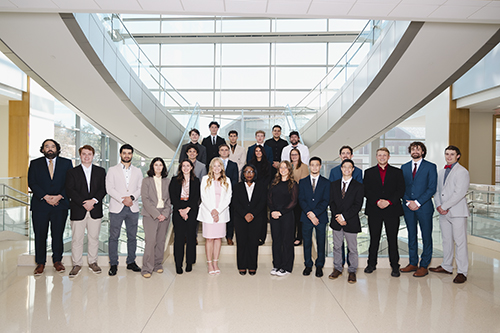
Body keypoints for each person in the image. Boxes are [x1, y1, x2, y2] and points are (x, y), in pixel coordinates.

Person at [28, 139, 73, 276]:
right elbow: (32, 182)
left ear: (57, 149)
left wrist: (60, 196)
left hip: (60, 205)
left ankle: (57, 261)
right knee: (40, 235)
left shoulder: (67, 163)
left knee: (57, 234)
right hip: (40, 205)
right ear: (42, 149)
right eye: (47, 146)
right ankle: (40, 263)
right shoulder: (35, 164)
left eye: (52, 146)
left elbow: (71, 183)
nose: (50, 149)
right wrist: (46, 197)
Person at [429, 146, 470, 284]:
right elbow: (436, 190)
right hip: (443, 212)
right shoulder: (441, 172)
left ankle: (462, 272)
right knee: (446, 240)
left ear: (458, 156)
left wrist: (445, 206)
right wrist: (439, 206)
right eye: (447, 154)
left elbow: (460, 193)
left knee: (460, 242)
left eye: (452, 154)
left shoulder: (462, 172)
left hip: (457, 212)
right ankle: (447, 266)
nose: (449, 156)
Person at [65, 145, 107, 277]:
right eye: (84, 154)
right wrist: (84, 203)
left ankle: (92, 262)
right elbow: (70, 190)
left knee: (93, 238)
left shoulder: (100, 171)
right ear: (80, 155)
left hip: (95, 209)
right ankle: (77, 264)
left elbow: (104, 188)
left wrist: (93, 200)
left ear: (93, 156)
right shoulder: (72, 172)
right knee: (77, 239)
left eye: (89, 154)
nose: (87, 156)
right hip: (78, 209)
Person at [363, 148, 405, 277]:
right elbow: (366, 190)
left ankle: (395, 266)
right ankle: (371, 264)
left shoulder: (397, 172)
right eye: (380, 155)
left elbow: (401, 190)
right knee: (374, 239)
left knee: (392, 239)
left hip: (392, 209)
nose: (382, 157)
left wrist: (389, 202)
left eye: (384, 155)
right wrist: (377, 201)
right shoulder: (369, 172)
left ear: (389, 157)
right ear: (376, 157)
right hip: (374, 209)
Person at [400, 141, 437, 277]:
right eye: (413, 149)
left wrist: (418, 202)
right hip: (408, 207)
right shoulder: (404, 167)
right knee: (411, 235)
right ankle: (413, 263)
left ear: (422, 152)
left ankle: (424, 265)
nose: (415, 151)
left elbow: (432, 187)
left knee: (426, 236)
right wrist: (408, 202)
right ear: (410, 152)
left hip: (424, 207)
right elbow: (400, 187)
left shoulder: (430, 167)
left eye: (418, 149)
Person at [106, 144, 143, 276]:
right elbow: (109, 188)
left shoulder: (138, 171)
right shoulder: (112, 170)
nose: (127, 155)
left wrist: (131, 198)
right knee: (114, 237)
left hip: (132, 208)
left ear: (132, 155)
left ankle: (131, 262)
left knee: (132, 237)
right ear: (120, 154)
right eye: (124, 153)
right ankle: (114, 264)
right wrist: (123, 199)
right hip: (117, 207)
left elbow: (140, 187)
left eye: (129, 153)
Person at [328, 159, 364, 284]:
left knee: (352, 248)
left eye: (350, 167)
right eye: (344, 167)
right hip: (336, 221)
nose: (347, 169)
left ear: (353, 169)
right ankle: (337, 268)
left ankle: (352, 271)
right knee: (337, 247)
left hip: (351, 221)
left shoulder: (358, 186)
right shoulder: (333, 184)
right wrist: (338, 217)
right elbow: (331, 202)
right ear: (341, 168)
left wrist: (344, 217)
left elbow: (357, 205)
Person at [198, 158, 232, 275]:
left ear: (222, 167)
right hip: (208, 214)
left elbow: (228, 198)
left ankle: (216, 263)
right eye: (214, 166)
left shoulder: (227, 180)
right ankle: (209, 264)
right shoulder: (205, 179)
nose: (217, 168)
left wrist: (218, 211)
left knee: (218, 239)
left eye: (219, 166)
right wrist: (212, 211)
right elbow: (203, 196)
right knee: (209, 239)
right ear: (211, 167)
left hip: (221, 214)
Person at [232, 164, 267, 275]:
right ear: (243, 174)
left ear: (255, 173)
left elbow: (262, 202)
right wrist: (244, 214)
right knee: (241, 242)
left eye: (251, 171)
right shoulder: (237, 187)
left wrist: (252, 214)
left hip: (256, 218)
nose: (249, 174)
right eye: (246, 171)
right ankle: (242, 266)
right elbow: (235, 203)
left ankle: (252, 266)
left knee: (253, 243)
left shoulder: (261, 186)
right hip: (240, 218)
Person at [299, 157, 330, 278]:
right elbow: (301, 199)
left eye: (317, 165)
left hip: (320, 218)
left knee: (321, 242)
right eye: (312, 165)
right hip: (306, 217)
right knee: (306, 242)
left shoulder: (326, 182)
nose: (315, 167)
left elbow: (325, 200)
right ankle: (308, 264)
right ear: (309, 166)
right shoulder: (303, 181)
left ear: (320, 166)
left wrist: (315, 214)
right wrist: (309, 213)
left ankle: (319, 265)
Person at [140, 158, 171, 278]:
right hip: (150, 214)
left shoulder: (167, 181)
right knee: (150, 241)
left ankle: (158, 264)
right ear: (152, 167)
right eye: (156, 165)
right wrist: (157, 214)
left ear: (163, 167)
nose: (158, 167)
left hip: (165, 214)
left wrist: (165, 213)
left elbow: (169, 200)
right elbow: (145, 200)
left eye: (160, 165)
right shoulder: (146, 181)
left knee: (160, 241)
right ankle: (147, 267)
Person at [169, 160, 201, 275]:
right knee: (179, 238)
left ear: (192, 167)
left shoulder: (196, 181)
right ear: (181, 167)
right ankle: (178, 263)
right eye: (183, 166)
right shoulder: (174, 180)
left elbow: (197, 196)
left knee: (191, 237)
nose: (186, 168)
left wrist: (187, 209)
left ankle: (189, 262)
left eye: (188, 166)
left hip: (191, 209)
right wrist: (180, 210)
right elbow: (172, 196)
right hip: (178, 209)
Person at [268, 161, 299, 277]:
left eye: (285, 168)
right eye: (281, 167)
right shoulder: (274, 183)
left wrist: (281, 212)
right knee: (276, 241)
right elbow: (269, 198)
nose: (283, 169)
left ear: (289, 170)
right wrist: (273, 211)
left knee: (287, 241)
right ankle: (276, 265)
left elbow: (293, 202)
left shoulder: (293, 184)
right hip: (274, 215)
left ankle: (286, 267)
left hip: (287, 215)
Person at [249, 145, 273, 245]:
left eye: (260, 151)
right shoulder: (251, 163)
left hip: (263, 190)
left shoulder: (267, 164)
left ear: (263, 152)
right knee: (253, 211)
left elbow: (269, 177)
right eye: (256, 151)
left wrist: (261, 186)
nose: (258, 153)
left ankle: (261, 237)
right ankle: (253, 235)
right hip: (252, 190)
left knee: (262, 215)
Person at [219, 143, 239, 245]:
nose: (224, 152)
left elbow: (235, 180)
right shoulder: (215, 164)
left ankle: (229, 236)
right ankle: (218, 235)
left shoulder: (233, 164)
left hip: (229, 194)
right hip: (216, 194)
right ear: (219, 152)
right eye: (222, 150)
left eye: (226, 150)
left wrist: (227, 189)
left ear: (229, 152)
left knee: (230, 215)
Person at [290, 148, 309, 246]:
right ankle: (291, 236)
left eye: (296, 154)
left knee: (298, 218)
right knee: (291, 219)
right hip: (289, 196)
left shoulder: (304, 166)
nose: (294, 156)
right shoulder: (288, 166)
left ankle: (299, 237)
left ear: (299, 155)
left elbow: (303, 182)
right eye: (292, 155)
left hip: (299, 196)